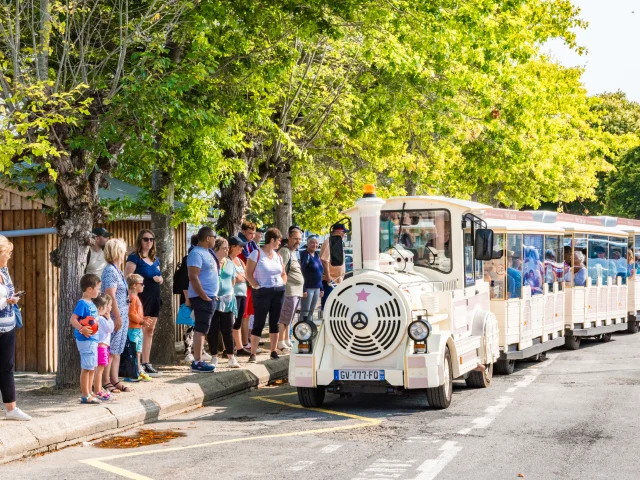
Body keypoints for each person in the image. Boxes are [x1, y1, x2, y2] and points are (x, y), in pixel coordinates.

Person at [124, 230, 163, 378]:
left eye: (151, 239)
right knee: (138, 331)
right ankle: (136, 363)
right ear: (140, 240)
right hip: (141, 298)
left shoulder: (155, 259)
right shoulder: (134, 258)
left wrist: (160, 279)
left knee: (150, 330)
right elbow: (127, 277)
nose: (149, 242)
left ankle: (147, 362)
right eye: (146, 239)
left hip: (154, 296)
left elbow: (160, 276)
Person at [0, 236, 31, 420]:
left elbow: (8, 291)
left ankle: (11, 409)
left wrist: (12, 298)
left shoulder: (4, 271)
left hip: (8, 324)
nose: (10, 256)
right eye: (8, 253)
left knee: (7, 366)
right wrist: (6, 301)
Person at [245, 228, 287, 363]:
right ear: (272, 240)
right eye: (278, 240)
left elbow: (283, 273)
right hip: (262, 292)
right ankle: (253, 353)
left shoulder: (278, 256)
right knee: (259, 322)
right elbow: (248, 274)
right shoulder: (256, 254)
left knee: (275, 321)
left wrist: (282, 284)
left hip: (278, 291)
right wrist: (257, 286)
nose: (280, 243)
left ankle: (273, 351)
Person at [101, 238, 133, 393]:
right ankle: (106, 381)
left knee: (117, 350)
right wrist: (117, 316)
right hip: (115, 315)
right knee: (110, 349)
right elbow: (110, 295)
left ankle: (115, 380)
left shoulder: (118, 270)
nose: (124, 253)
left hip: (123, 314)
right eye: (122, 250)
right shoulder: (110, 271)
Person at [187, 227, 218, 373]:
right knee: (200, 328)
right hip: (202, 298)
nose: (215, 239)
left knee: (204, 328)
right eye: (214, 237)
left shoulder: (207, 252)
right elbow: (193, 276)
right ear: (207, 238)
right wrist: (203, 295)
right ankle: (197, 361)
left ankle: (200, 359)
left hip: (210, 296)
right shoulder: (196, 253)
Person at [70, 273, 102, 404]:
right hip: (86, 340)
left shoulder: (91, 304)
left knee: (91, 367)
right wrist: (81, 328)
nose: (99, 291)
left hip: (93, 339)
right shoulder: (82, 304)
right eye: (98, 288)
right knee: (87, 368)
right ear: (90, 289)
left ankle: (90, 392)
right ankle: (85, 395)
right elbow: (73, 319)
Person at [211, 238, 241, 368]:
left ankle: (231, 356)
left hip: (227, 300)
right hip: (213, 299)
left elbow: (233, 280)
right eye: (224, 247)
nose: (227, 250)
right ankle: (213, 357)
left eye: (228, 247)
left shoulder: (229, 263)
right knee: (212, 330)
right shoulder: (211, 262)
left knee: (228, 329)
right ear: (216, 249)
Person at [278, 227, 304, 350]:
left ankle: (287, 339)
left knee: (290, 317)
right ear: (289, 237)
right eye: (295, 239)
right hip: (289, 290)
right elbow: (280, 270)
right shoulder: (285, 251)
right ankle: (280, 341)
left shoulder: (294, 252)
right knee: (285, 316)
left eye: (299, 239)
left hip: (296, 290)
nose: (298, 241)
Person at [127, 273, 152, 381]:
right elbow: (131, 314)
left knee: (137, 350)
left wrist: (143, 319)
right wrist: (141, 321)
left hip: (137, 328)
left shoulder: (136, 297)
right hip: (133, 328)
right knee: (133, 351)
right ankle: (131, 372)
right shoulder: (132, 298)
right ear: (134, 285)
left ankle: (137, 369)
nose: (143, 286)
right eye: (141, 284)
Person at [238, 222, 258, 347]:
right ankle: (243, 343)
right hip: (244, 283)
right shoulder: (241, 244)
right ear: (243, 231)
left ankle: (248, 339)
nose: (252, 235)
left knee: (249, 314)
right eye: (250, 233)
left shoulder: (253, 244)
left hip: (251, 284)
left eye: (253, 233)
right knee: (243, 314)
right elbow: (247, 261)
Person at [229, 236, 250, 355]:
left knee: (238, 321)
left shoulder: (240, 261)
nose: (242, 248)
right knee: (232, 321)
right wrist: (241, 276)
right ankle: (230, 347)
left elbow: (246, 275)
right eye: (239, 246)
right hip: (234, 294)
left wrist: (241, 276)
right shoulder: (228, 261)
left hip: (243, 293)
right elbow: (236, 278)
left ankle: (239, 347)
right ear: (232, 247)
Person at [320, 223, 347, 310]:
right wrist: (328, 278)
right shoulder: (329, 242)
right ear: (338, 232)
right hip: (331, 281)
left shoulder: (336, 242)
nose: (344, 234)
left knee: (335, 307)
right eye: (343, 232)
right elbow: (324, 260)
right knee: (329, 306)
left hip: (336, 281)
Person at [92, 295, 114, 401]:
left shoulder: (96, 318)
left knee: (97, 370)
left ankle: (98, 389)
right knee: (99, 370)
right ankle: (98, 391)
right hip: (102, 347)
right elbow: (110, 328)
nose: (108, 309)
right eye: (107, 307)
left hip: (99, 346)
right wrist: (109, 318)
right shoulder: (101, 318)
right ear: (100, 308)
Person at [299, 236, 324, 322]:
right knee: (305, 312)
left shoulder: (316, 255)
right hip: (308, 288)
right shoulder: (305, 255)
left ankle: (309, 329)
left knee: (311, 312)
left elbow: (320, 272)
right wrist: (303, 289)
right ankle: (301, 328)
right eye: (312, 243)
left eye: (316, 243)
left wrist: (321, 288)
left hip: (317, 288)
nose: (315, 245)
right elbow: (302, 272)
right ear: (307, 244)